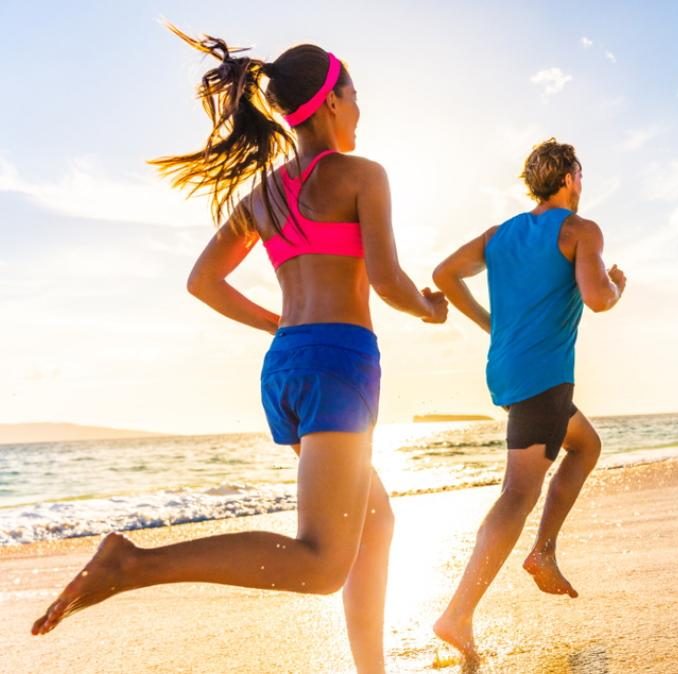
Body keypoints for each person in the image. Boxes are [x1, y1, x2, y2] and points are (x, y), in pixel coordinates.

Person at [31, 27, 447, 674]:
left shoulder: (263, 196)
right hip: (339, 365)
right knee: (321, 563)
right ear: (333, 102)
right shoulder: (362, 175)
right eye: (355, 96)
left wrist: (284, 325)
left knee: (377, 522)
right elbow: (390, 281)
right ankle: (134, 564)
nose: (360, 110)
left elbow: (203, 282)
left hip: (287, 367)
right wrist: (428, 309)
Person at [430, 138, 625, 662]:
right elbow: (598, 299)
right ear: (568, 177)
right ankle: (458, 614)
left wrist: (491, 325)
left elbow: (444, 275)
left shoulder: (500, 235)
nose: (582, 184)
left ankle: (544, 550)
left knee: (585, 446)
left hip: (511, 372)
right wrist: (617, 285)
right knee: (518, 493)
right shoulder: (580, 230)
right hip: (544, 375)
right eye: (580, 174)